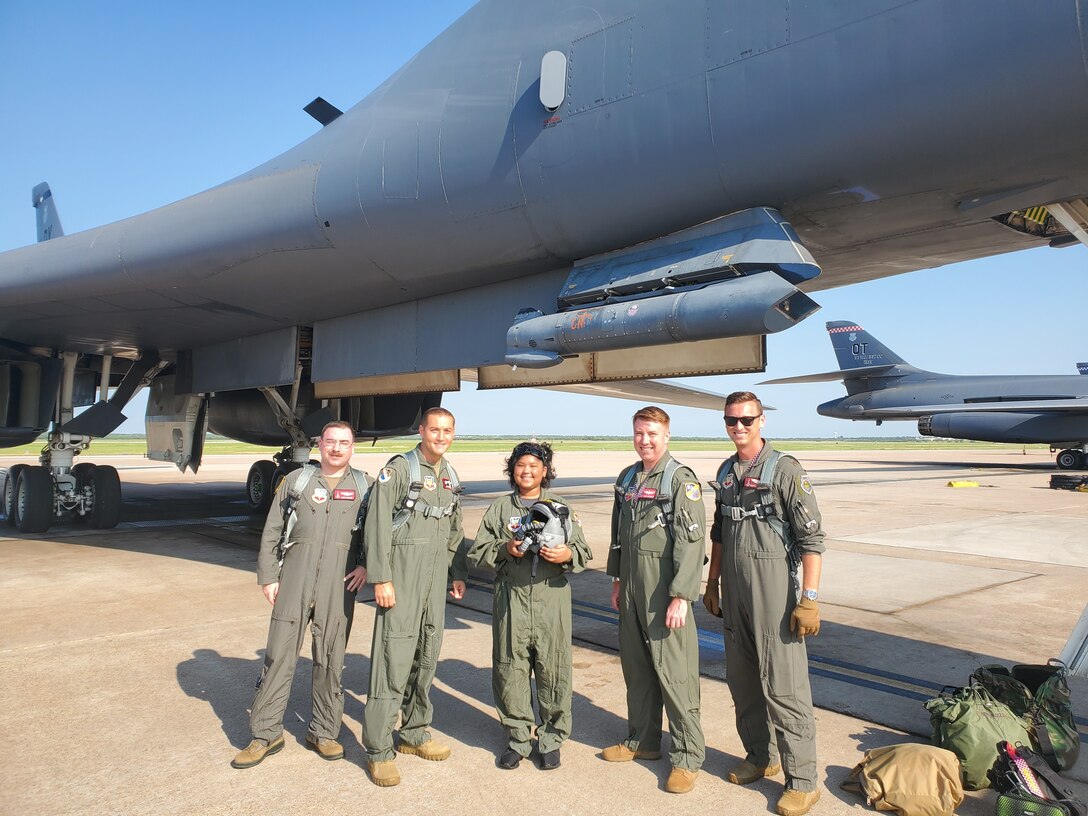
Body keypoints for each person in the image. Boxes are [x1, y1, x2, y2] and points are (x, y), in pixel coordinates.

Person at [704, 391, 825, 816]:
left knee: (784, 687)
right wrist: (713, 581)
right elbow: (719, 531)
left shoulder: (784, 470)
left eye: (747, 420)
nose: (739, 427)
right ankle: (762, 756)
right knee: (743, 682)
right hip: (735, 590)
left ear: (762, 421)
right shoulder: (726, 470)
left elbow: (812, 541)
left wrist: (809, 600)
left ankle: (804, 780)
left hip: (775, 590)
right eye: (732, 421)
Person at [232, 421, 369, 768]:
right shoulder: (297, 482)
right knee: (278, 655)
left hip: (338, 584)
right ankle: (265, 733)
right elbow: (273, 529)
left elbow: (376, 533)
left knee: (330, 658)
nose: (337, 448)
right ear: (320, 444)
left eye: (344, 443)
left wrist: (368, 567)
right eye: (330, 442)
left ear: (352, 447)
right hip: (294, 577)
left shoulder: (365, 486)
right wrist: (268, 576)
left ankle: (323, 731)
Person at [469, 441, 592, 771]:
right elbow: (477, 552)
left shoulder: (562, 507)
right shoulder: (499, 509)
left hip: (551, 599)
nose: (527, 471)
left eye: (534, 466)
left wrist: (567, 555)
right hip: (512, 600)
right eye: (521, 465)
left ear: (545, 471)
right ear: (512, 470)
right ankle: (518, 739)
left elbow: (583, 551)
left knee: (554, 670)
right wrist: (507, 547)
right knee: (510, 669)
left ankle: (551, 739)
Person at [362, 406, 468, 787]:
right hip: (402, 575)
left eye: (447, 430)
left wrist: (457, 573)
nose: (440, 436)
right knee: (393, 658)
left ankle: (415, 731)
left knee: (426, 655)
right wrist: (381, 577)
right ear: (421, 430)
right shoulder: (400, 469)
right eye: (434, 429)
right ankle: (377, 749)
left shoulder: (450, 475)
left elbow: (454, 528)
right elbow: (376, 524)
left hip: (435, 576)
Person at [603, 406, 707, 794]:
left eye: (651, 434)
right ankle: (643, 740)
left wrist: (682, 595)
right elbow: (617, 533)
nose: (644, 440)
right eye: (638, 433)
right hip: (631, 584)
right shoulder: (628, 477)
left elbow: (691, 541)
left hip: (663, 588)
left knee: (675, 673)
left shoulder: (680, 480)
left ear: (666, 436)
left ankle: (687, 756)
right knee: (638, 669)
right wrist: (616, 579)